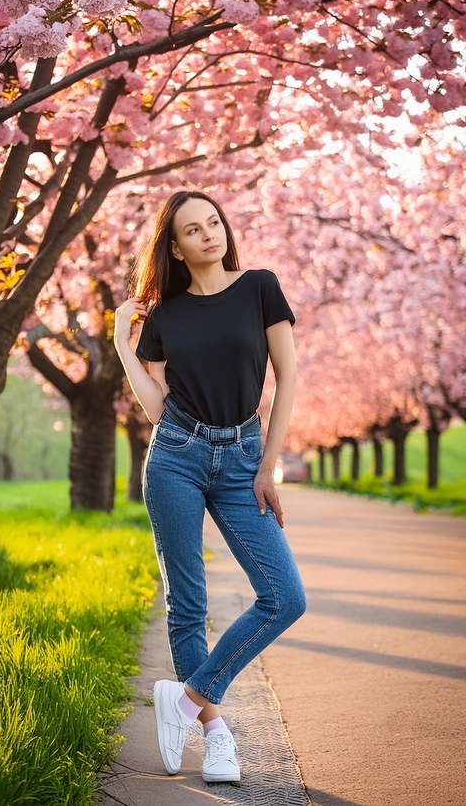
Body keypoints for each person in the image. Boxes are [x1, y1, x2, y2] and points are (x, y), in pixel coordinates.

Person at [114, 190, 306, 784]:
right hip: (176, 455)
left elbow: (288, 376)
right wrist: (125, 344)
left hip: (244, 455)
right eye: (192, 229)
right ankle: (216, 734)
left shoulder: (260, 288)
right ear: (174, 246)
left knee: (285, 597)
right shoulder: (166, 316)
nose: (208, 234)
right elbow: (155, 408)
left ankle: (185, 699)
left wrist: (268, 467)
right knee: (187, 604)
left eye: (214, 222)